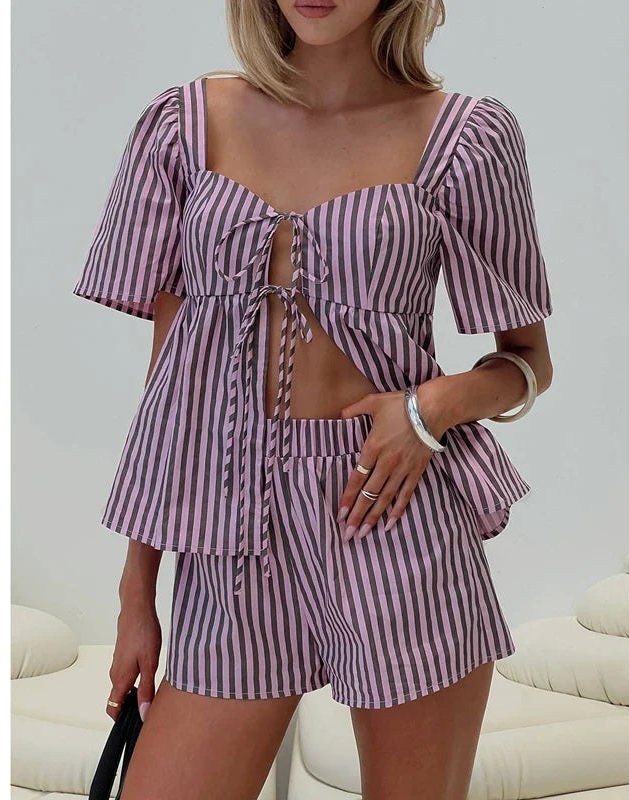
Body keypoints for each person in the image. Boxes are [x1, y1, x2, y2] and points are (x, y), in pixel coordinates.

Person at [73, 1, 554, 797]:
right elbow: (169, 388)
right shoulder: (184, 125)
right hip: (230, 536)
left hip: (392, 513)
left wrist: (428, 412)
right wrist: (137, 595)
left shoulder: (465, 138)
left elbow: (527, 362)